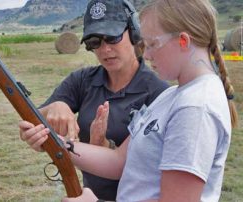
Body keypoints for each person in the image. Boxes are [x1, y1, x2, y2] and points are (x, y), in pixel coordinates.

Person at [20, 0, 239, 201]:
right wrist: (56, 141)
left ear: (183, 41)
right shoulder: (171, 96)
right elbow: (118, 161)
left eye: (152, 44)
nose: (148, 54)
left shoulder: (195, 108)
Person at [20, 0, 168, 200]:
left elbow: (144, 164)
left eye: (113, 37)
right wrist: (55, 108)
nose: (105, 49)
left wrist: (105, 147)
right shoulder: (82, 80)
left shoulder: (159, 93)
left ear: (134, 33)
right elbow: (32, 118)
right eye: (94, 41)